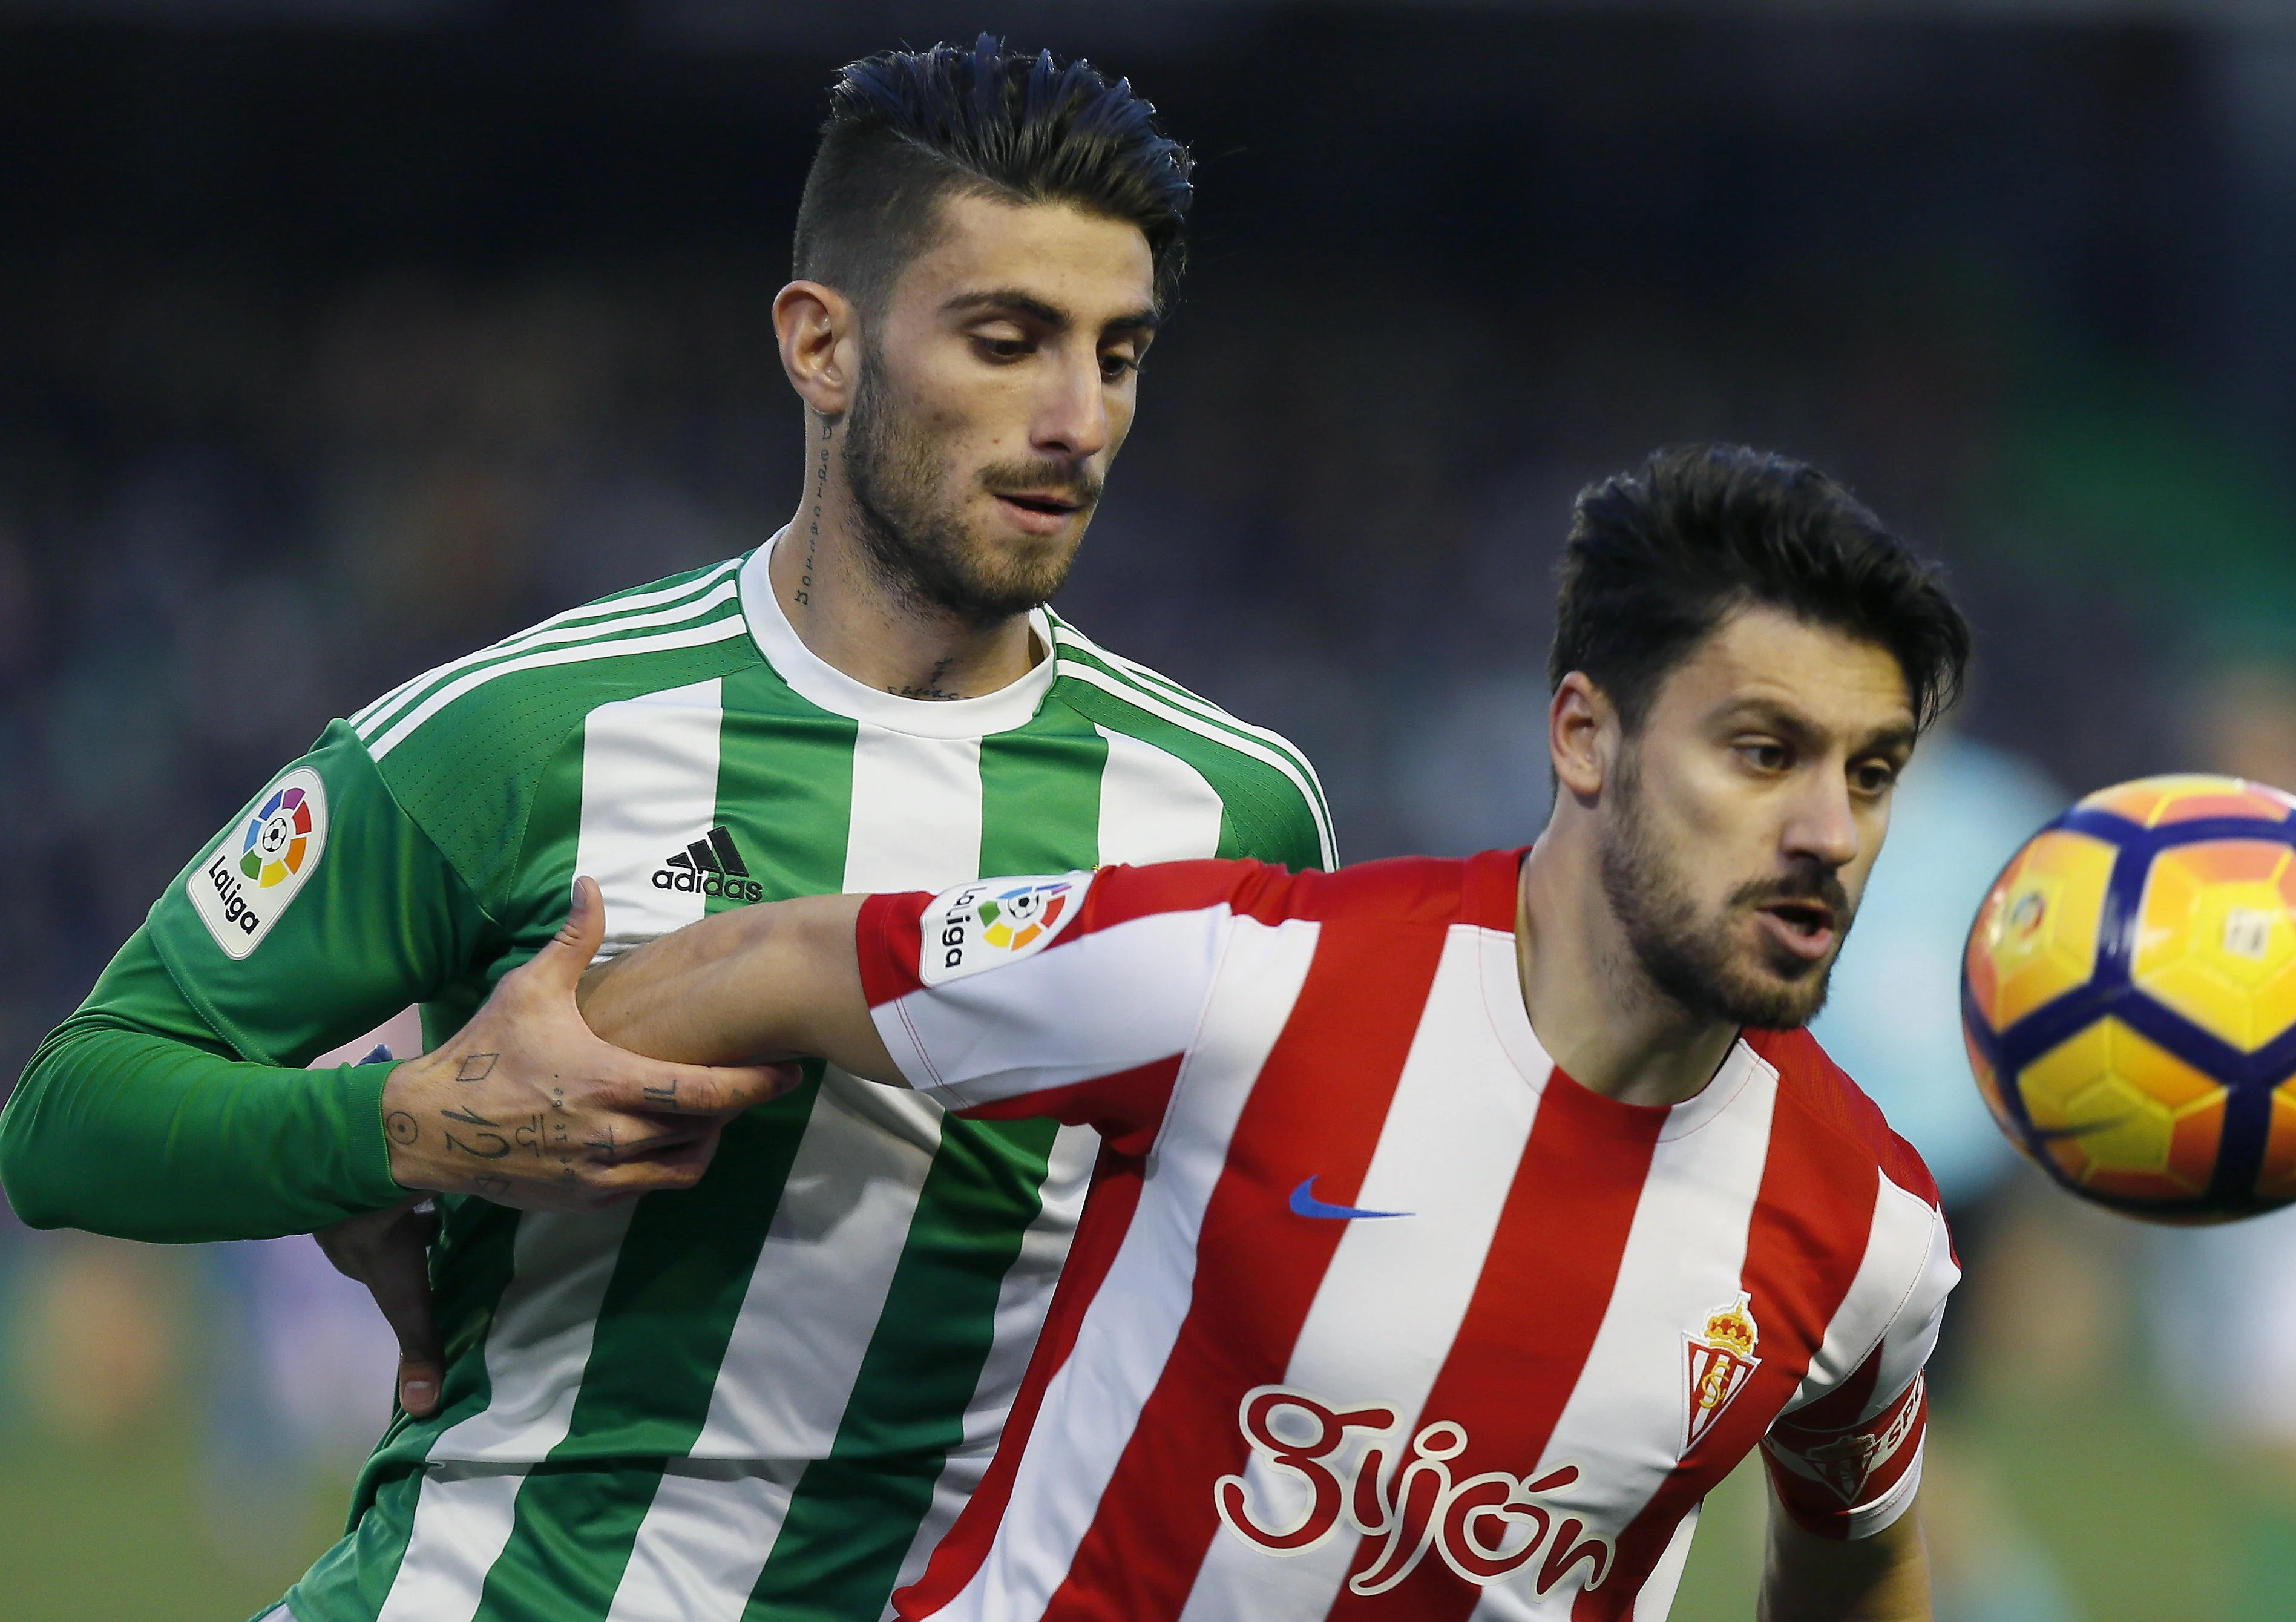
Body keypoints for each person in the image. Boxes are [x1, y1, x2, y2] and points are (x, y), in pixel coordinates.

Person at [0, 38, 1333, 1622]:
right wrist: (401, 1131)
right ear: (820, 346)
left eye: (1117, 354)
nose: (1076, 419)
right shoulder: (518, 735)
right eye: (1005, 339)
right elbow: (68, 1115)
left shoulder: (1234, 812)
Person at [557, 444, 1969, 1620]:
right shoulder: (1253, 976)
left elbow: (1859, 1548)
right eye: (1765, 752)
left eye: (1874, 771)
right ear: (1584, 737)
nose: (1829, 832)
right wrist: (434, 1147)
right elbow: (771, 952)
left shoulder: (1867, 1232)